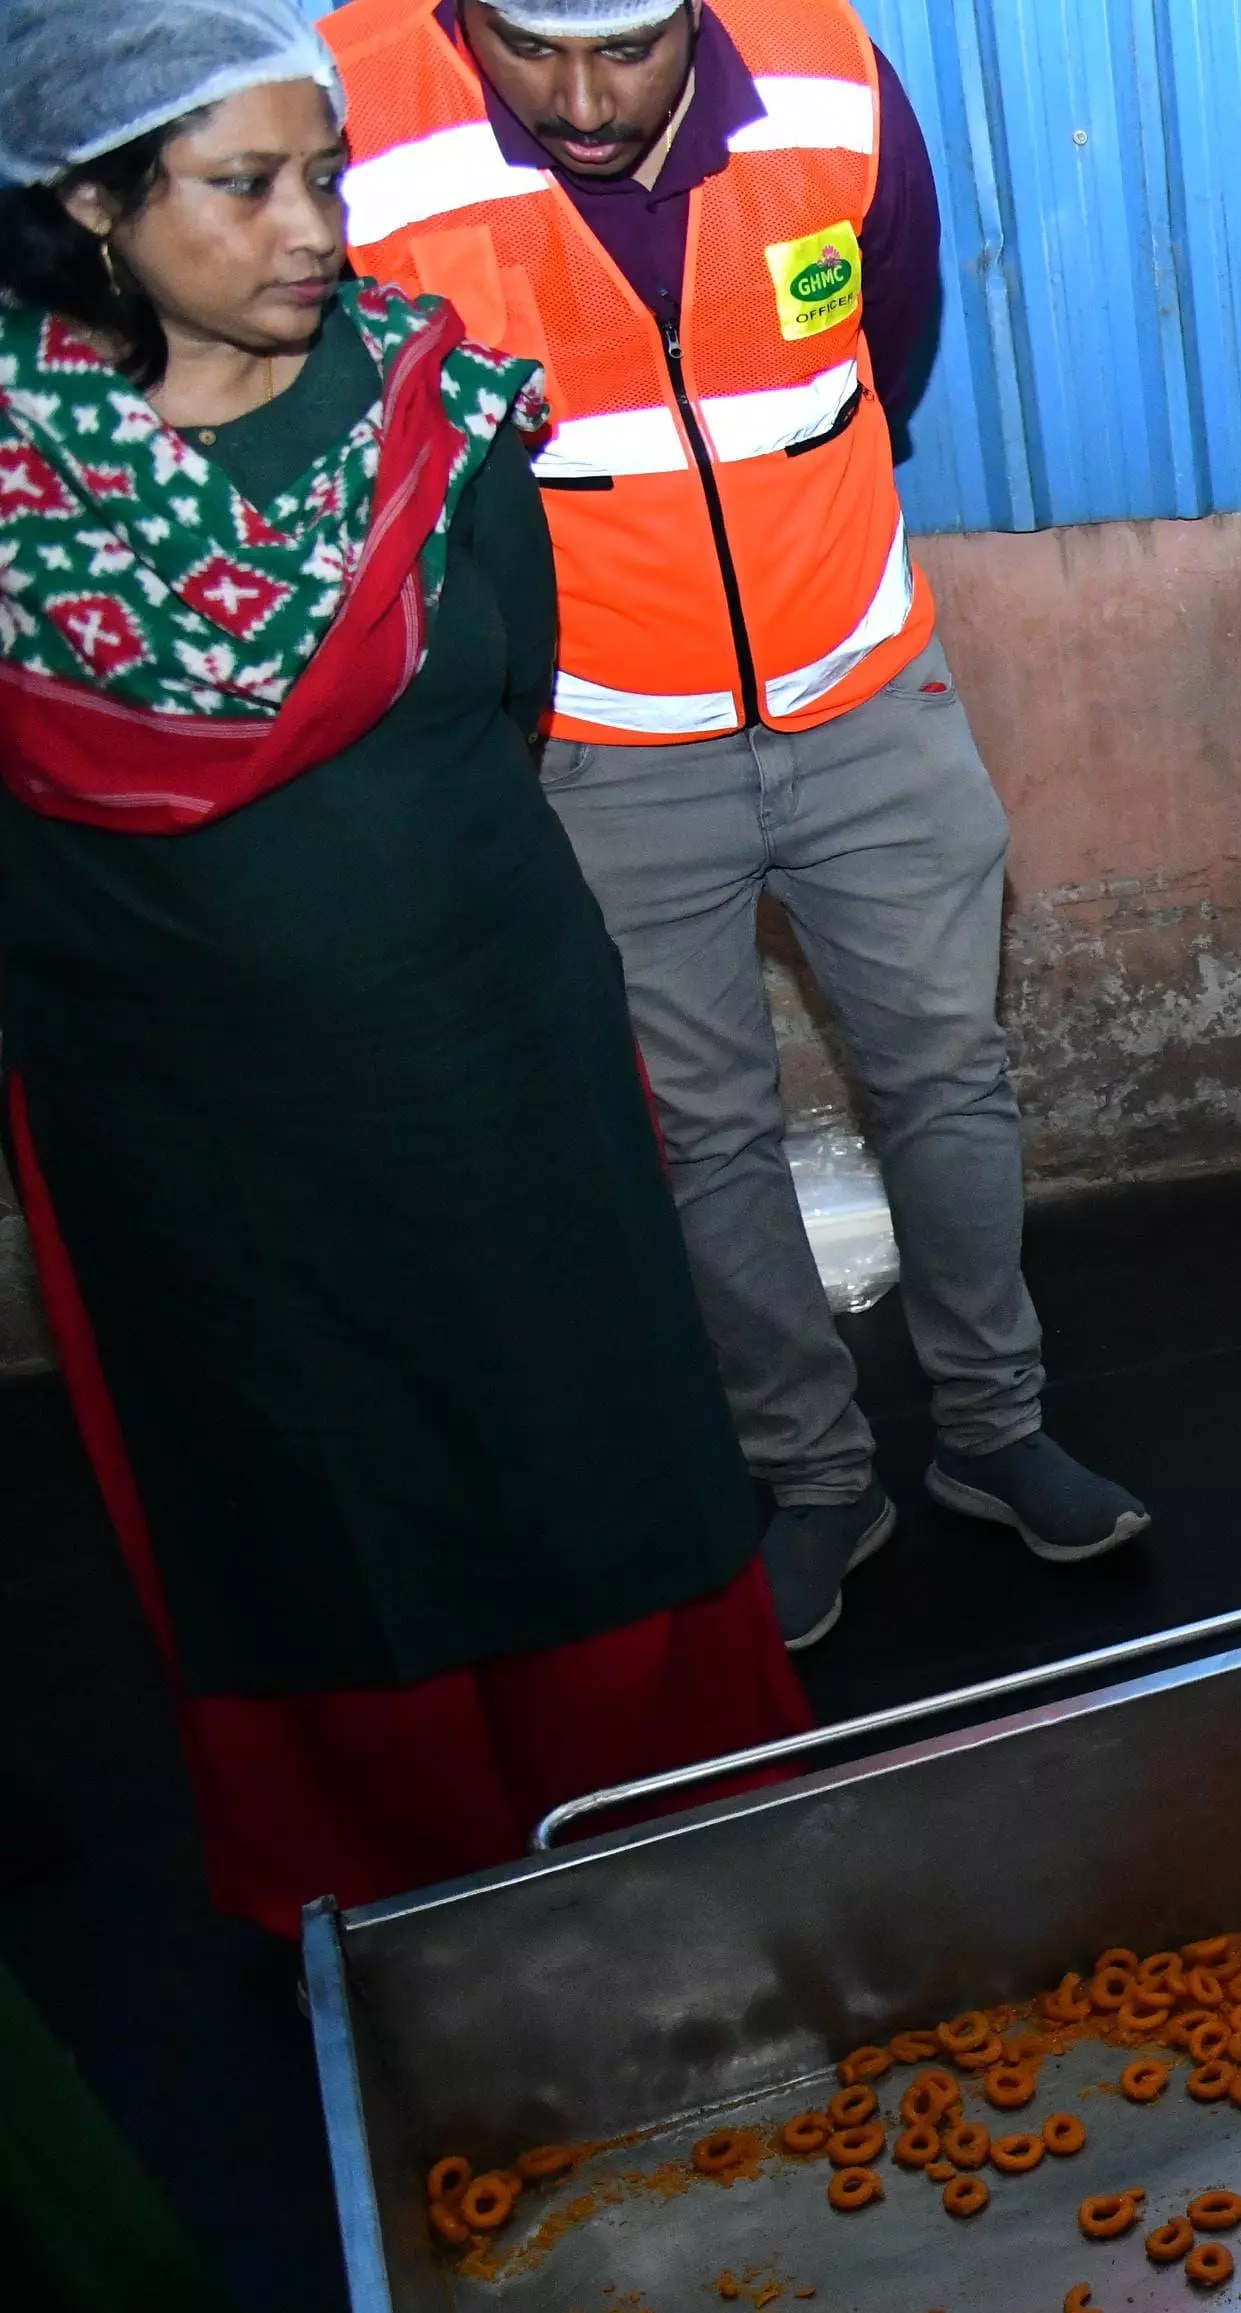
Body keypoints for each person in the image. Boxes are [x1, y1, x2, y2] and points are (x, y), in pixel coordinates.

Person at [0, 1, 804, 1930]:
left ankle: (665, 1847)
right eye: (248, 183)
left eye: (328, 173)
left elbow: (507, 692)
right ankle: (389, 1911)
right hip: (185, 1137)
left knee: (572, 1425)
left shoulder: (430, 421)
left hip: (488, 1062)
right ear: (96, 202)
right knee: (303, 1484)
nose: (315, 227)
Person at [326, 0, 1148, 1650]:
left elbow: (888, 336)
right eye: (523, 45)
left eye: (622, 47)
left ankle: (994, 1432)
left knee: (949, 1076)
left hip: (864, 687)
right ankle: (815, 1478)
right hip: (603, 744)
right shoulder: (355, 104)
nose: (574, 99)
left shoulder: (826, 64)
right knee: (702, 1133)